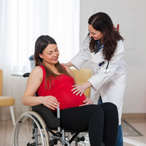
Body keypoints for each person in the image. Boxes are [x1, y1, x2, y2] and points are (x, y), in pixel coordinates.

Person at [22, 35, 119, 146]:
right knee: (95, 111)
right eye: (50, 53)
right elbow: (25, 99)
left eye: (56, 50)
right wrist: (43, 99)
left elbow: (76, 90)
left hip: (80, 111)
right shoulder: (39, 71)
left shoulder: (65, 68)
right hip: (59, 116)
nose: (55, 54)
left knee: (110, 108)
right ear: (40, 55)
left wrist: (86, 99)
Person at [63, 12, 127, 146]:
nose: (90, 35)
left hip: (114, 79)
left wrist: (85, 85)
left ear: (104, 31)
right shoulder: (91, 37)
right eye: (89, 31)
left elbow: (107, 72)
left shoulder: (117, 44)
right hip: (97, 77)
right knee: (97, 111)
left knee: (114, 117)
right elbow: (83, 53)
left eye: (94, 33)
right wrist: (67, 64)